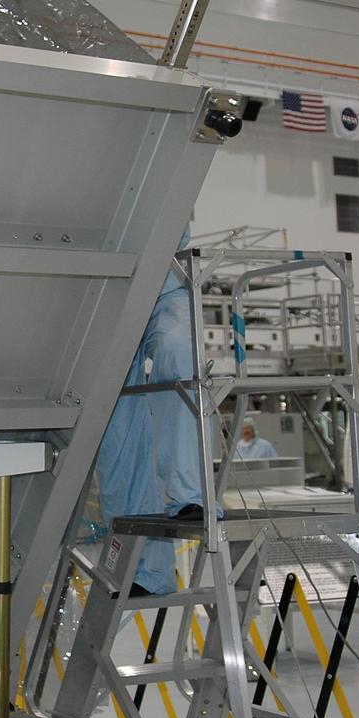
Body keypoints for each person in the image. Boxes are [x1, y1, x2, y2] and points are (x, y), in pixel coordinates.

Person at [95, 227, 205, 596]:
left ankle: (189, 496)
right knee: (117, 433)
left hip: (164, 285)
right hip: (108, 298)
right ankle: (146, 571)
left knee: (179, 357)